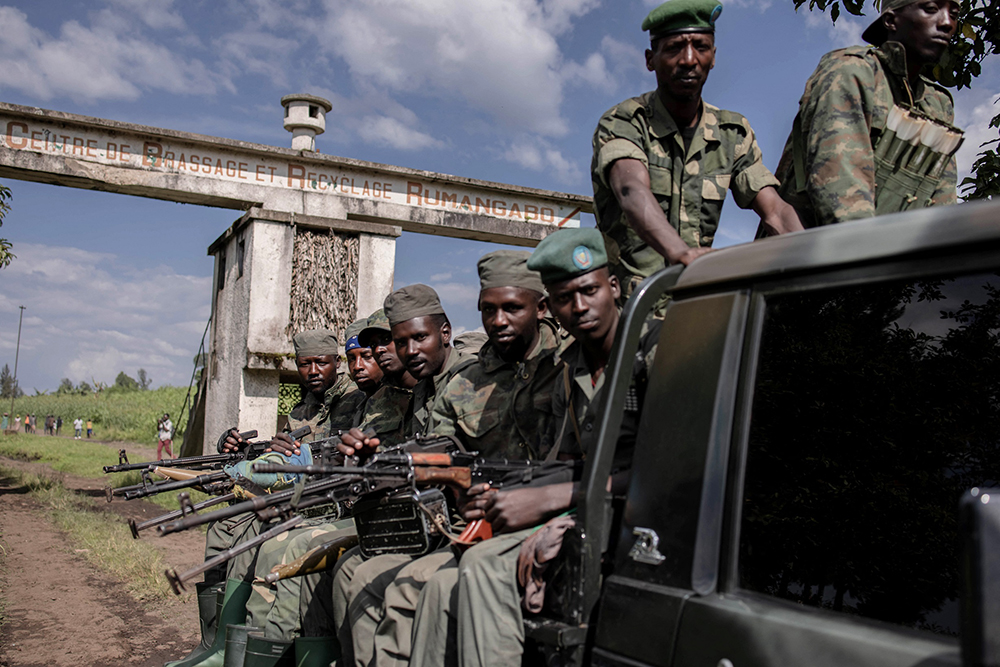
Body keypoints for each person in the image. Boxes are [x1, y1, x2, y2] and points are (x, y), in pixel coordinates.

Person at [427, 228, 662, 667]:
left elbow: (674, 469)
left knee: (481, 569)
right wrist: (504, 494)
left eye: (589, 291)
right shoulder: (571, 369)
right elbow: (568, 462)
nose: (579, 307)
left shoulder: (655, 350)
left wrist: (553, 497)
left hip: (642, 520)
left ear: (612, 287)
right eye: (564, 298)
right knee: (445, 581)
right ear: (550, 305)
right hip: (590, 512)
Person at [349, 251, 564, 667]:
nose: (498, 320)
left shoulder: (565, 367)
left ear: (540, 308)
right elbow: (439, 449)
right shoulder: (466, 383)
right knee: (384, 583)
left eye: (511, 308)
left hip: (549, 520)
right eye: (487, 309)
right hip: (479, 525)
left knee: (428, 586)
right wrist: (385, 462)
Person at [592, 0, 802, 295]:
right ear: (650, 59)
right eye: (675, 48)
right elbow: (631, 190)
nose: (689, 59)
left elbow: (775, 211)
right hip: (629, 310)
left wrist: (809, 255)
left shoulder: (732, 133)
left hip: (689, 305)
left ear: (713, 57)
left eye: (701, 47)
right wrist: (682, 254)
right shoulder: (625, 122)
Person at [331, 284, 476, 667]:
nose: (410, 351)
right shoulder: (424, 389)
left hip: (467, 522)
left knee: (374, 578)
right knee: (352, 571)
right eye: (400, 342)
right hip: (428, 517)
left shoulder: (471, 381)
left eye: (420, 338)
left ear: (445, 332)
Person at [773, 0, 960, 228]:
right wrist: (869, 254)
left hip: (893, 251)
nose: (947, 23)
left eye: (954, 13)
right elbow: (840, 189)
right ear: (891, 21)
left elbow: (943, 199)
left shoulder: (937, 102)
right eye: (931, 9)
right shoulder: (852, 72)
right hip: (811, 248)